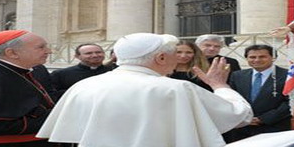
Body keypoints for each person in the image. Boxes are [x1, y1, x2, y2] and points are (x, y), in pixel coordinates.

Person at [37, 33, 253, 147]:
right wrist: (219, 85)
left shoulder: (83, 86)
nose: (177, 60)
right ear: (160, 57)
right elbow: (239, 115)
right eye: (173, 55)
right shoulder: (176, 89)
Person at [0, 30, 57, 146]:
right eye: (41, 47)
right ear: (12, 53)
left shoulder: (31, 69)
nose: (49, 51)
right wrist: (58, 116)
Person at [225, 45, 290, 142]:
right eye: (252, 57)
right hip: (242, 129)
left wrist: (263, 119)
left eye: (262, 57)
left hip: (273, 128)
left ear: (273, 57)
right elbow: (232, 98)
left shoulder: (287, 76)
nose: (257, 60)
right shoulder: (237, 75)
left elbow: (291, 102)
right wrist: (242, 118)